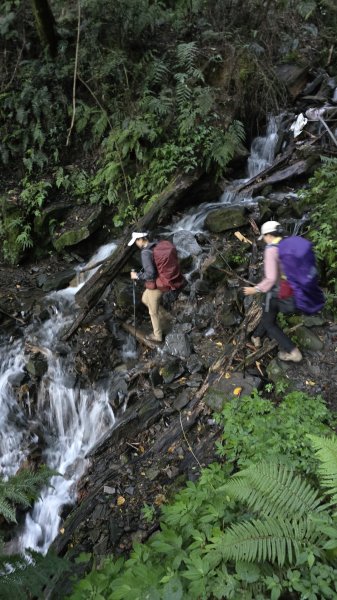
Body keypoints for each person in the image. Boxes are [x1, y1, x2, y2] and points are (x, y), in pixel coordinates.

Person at [243, 221, 303, 363]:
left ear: (269, 235)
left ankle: (293, 352)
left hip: (276, 291)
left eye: (264, 236)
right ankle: (256, 337)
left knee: (269, 323)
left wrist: (255, 289)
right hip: (292, 288)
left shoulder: (271, 250)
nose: (264, 239)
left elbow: (270, 278)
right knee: (268, 314)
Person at [128, 232, 184, 343]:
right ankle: (166, 317)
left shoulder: (145, 253)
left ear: (141, 239)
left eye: (136, 241)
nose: (136, 244)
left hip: (159, 284)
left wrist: (137, 276)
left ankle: (157, 335)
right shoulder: (156, 244)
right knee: (144, 299)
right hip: (164, 279)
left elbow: (151, 274)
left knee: (152, 312)